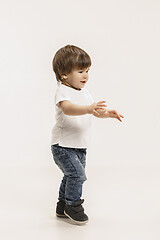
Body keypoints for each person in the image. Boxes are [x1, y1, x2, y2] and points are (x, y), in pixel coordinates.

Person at [50, 45, 124, 225]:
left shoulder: (85, 93)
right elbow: (68, 109)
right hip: (63, 145)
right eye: (81, 71)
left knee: (70, 175)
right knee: (78, 175)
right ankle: (73, 205)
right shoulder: (63, 91)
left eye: (88, 71)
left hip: (79, 145)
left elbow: (94, 112)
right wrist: (88, 109)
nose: (86, 75)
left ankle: (62, 205)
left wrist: (106, 114)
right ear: (64, 74)